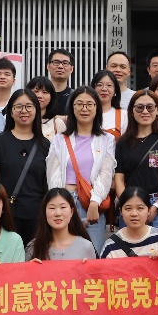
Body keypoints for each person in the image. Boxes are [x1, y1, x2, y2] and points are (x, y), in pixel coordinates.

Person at [46, 86, 116, 253]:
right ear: (72, 107)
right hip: (65, 202)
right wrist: (59, 203)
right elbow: (53, 174)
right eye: (79, 104)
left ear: (97, 108)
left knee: (92, 254)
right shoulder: (59, 139)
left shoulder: (107, 139)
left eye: (89, 104)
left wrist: (95, 201)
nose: (84, 108)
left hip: (91, 203)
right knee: (63, 253)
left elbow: (106, 173)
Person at [0, 89, 49, 244]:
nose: (23, 111)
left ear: (36, 110)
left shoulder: (45, 145)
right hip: (6, 215)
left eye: (29, 106)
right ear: (11, 112)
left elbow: (48, 184)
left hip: (37, 216)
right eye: (18, 106)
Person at [114, 90, 158, 239]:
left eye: (150, 107)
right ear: (132, 111)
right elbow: (118, 179)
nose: (145, 111)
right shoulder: (123, 143)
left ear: (157, 110)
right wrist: (128, 205)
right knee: (130, 249)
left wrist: (156, 207)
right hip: (131, 204)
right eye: (139, 107)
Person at [102, 187, 158, 258]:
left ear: (149, 211)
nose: (134, 214)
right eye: (128, 208)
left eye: (140, 208)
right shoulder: (110, 246)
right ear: (121, 211)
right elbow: (102, 270)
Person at [26, 188, 97, 261]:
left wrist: (87, 267)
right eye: (52, 208)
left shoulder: (85, 246)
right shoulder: (33, 247)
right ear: (44, 212)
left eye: (63, 207)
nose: (57, 213)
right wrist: (30, 266)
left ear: (72, 211)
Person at [90, 69, 125, 138]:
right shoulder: (85, 113)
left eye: (109, 85)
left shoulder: (124, 115)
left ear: (115, 90)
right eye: (99, 85)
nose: (104, 89)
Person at [46, 48, 75, 116]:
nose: (60, 66)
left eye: (65, 63)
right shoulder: (39, 95)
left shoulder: (75, 97)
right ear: (48, 66)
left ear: (71, 69)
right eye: (56, 62)